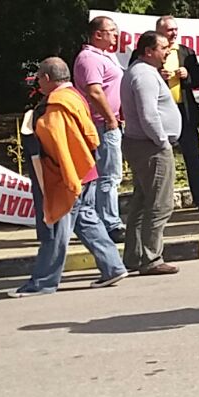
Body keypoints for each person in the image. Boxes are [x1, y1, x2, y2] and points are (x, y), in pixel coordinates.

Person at [13, 57, 129, 296]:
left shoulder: (55, 105)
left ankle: (43, 282)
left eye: (39, 78)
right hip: (87, 170)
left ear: (47, 78)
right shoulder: (75, 96)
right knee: (86, 219)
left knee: (56, 227)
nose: (38, 83)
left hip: (67, 175)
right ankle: (113, 267)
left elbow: (59, 146)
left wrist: (68, 179)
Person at [118, 31, 181, 275]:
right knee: (159, 203)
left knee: (143, 201)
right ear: (148, 51)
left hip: (143, 144)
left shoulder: (139, 71)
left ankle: (135, 256)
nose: (167, 52)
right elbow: (148, 114)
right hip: (150, 146)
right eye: (163, 48)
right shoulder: (144, 75)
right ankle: (151, 258)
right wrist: (162, 141)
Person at [73, 16, 127, 240]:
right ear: (98, 34)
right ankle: (110, 224)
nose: (116, 34)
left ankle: (100, 221)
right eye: (111, 30)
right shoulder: (90, 58)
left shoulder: (105, 56)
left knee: (107, 175)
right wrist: (110, 118)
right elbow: (94, 91)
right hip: (101, 123)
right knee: (109, 175)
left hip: (109, 122)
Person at [155, 16, 199, 215]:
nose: (173, 33)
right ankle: (159, 204)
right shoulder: (147, 51)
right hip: (159, 113)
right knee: (160, 159)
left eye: (175, 29)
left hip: (184, 111)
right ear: (159, 31)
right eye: (169, 30)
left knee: (193, 156)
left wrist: (187, 76)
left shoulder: (186, 52)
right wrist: (157, 75)